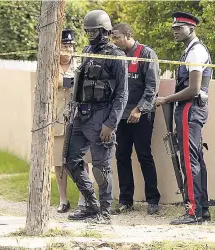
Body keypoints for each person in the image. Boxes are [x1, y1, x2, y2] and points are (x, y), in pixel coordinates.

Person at [65, 10, 128, 221]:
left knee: (101, 168)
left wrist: (111, 124)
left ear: (105, 31)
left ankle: (105, 211)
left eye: (95, 31)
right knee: (70, 160)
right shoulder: (86, 51)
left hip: (102, 117)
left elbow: (122, 94)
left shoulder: (117, 56)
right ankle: (91, 205)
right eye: (88, 31)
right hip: (80, 115)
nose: (91, 35)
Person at [156, 12, 212, 225]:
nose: (175, 31)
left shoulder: (195, 52)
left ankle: (193, 211)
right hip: (191, 109)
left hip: (190, 109)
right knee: (195, 159)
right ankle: (202, 209)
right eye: (174, 28)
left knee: (189, 161)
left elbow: (194, 89)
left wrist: (166, 99)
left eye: (179, 28)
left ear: (192, 28)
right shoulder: (190, 51)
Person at [110, 23, 160, 215]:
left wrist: (139, 109)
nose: (114, 41)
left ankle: (153, 200)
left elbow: (152, 87)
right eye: (113, 38)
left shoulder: (146, 54)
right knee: (121, 156)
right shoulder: (116, 55)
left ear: (128, 35)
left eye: (117, 37)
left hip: (141, 115)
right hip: (120, 115)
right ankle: (125, 200)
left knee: (144, 156)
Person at [54, 29, 91, 213]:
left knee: (81, 161)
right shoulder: (49, 67)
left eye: (70, 46)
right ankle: (63, 200)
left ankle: (84, 199)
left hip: (78, 120)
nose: (67, 50)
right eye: (64, 46)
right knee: (59, 163)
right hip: (58, 120)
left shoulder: (80, 65)